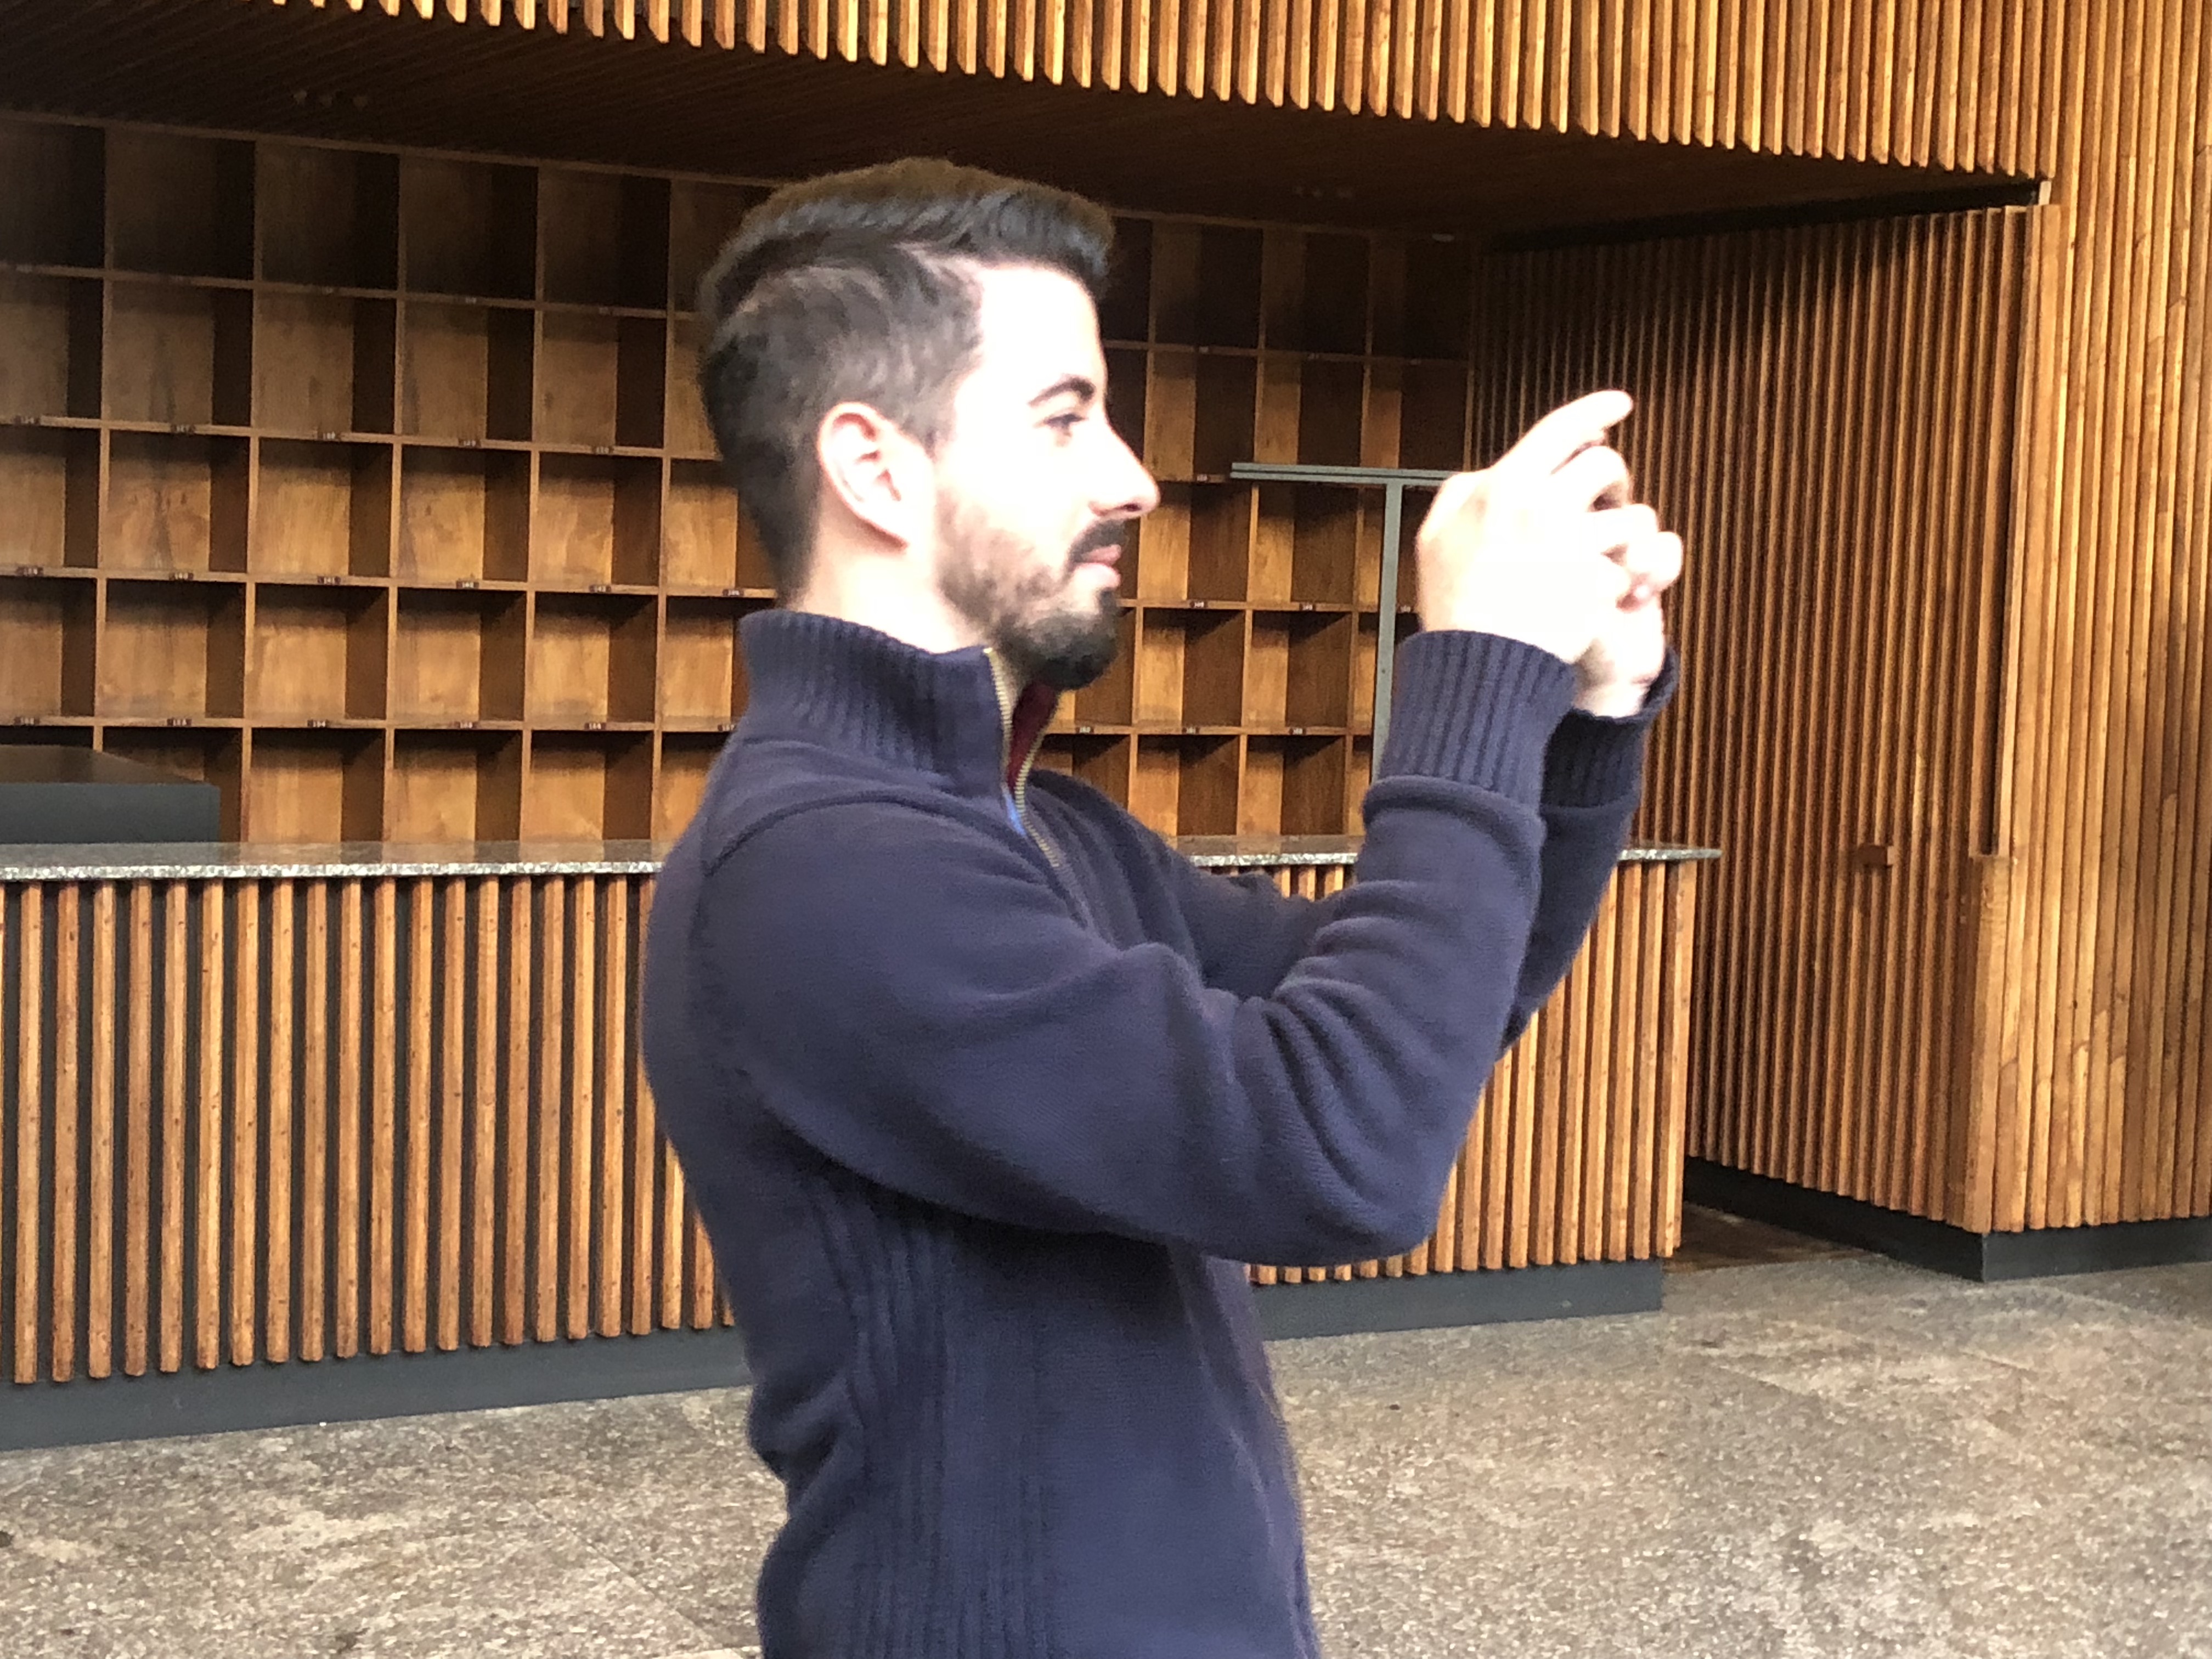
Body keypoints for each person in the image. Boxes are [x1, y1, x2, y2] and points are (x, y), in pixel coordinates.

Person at [640, 159, 1681, 1659]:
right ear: (875, 469)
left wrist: (1580, 712)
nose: (1131, 477)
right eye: (1066, 418)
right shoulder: (823, 864)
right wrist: (1469, 673)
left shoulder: (1037, 827)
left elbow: (1425, 1018)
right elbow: (1346, 1152)